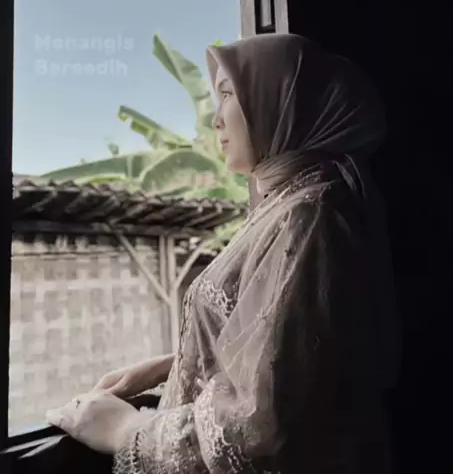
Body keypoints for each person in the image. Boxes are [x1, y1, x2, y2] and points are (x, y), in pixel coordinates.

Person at [45, 33, 401, 473]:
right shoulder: (287, 205)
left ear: (282, 103)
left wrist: (127, 431)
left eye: (228, 94)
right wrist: (170, 368)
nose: (216, 120)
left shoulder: (310, 215)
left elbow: (263, 425)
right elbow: (292, 354)